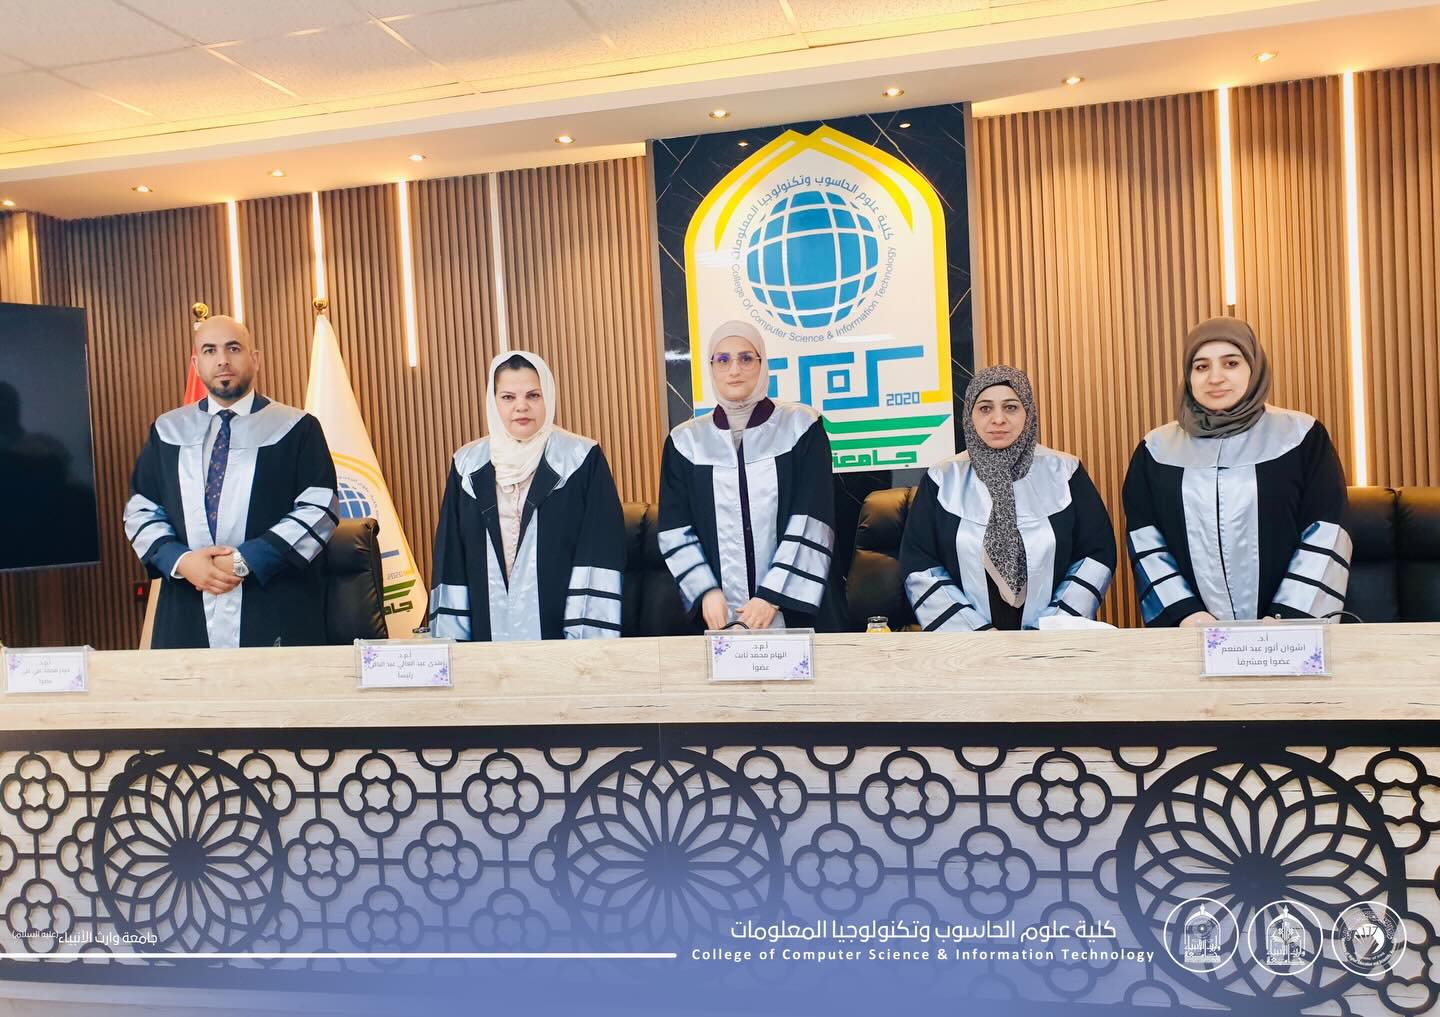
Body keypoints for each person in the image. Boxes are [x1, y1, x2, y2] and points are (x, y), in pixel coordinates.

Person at [124, 315, 338, 648]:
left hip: (272, 604)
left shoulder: (297, 428)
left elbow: (320, 508)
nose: (222, 360)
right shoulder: (168, 431)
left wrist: (245, 559)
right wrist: (181, 561)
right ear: (196, 364)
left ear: (255, 359)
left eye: (233, 348)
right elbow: (141, 510)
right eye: (209, 350)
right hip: (188, 604)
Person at [1122, 316, 1351, 626]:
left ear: (1253, 369)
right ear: (1188, 376)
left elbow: (1326, 531)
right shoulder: (1156, 449)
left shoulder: (1301, 437)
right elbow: (1146, 539)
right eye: (1201, 367)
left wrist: (1288, 618)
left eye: (1231, 363)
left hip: (1284, 632)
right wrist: (1185, 613)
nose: (1215, 377)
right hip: (1193, 631)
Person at [900, 365, 1115, 631]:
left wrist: (1051, 628)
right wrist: (974, 634)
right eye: (985, 408)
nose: (998, 419)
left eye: (1011, 407)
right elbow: (920, 563)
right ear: (969, 416)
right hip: (967, 645)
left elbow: (1095, 554)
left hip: (1052, 644)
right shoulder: (943, 478)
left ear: (1028, 412)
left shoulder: (1065, 472)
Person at [429, 351, 625, 640]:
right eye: (508, 397)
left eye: (533, 395)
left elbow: (599, 550)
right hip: (486, 638)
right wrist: (454, 644)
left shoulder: (581, 458)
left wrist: (585, 643)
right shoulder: (467, 465)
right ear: (493, 402)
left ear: (549, 397)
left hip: (562, 637)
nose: (521, 407)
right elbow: (452, 560)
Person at [658, 320, 836, 631]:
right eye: (722, 360)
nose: (734, 370)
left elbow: (812, 518)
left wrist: (772, 596)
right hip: (716, 615)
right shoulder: (685, 442)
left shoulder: (801, 427)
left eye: (745, 358)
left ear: (762, 364)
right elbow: (675, 527)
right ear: (711, 368)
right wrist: (705, 590)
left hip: (793, 612)